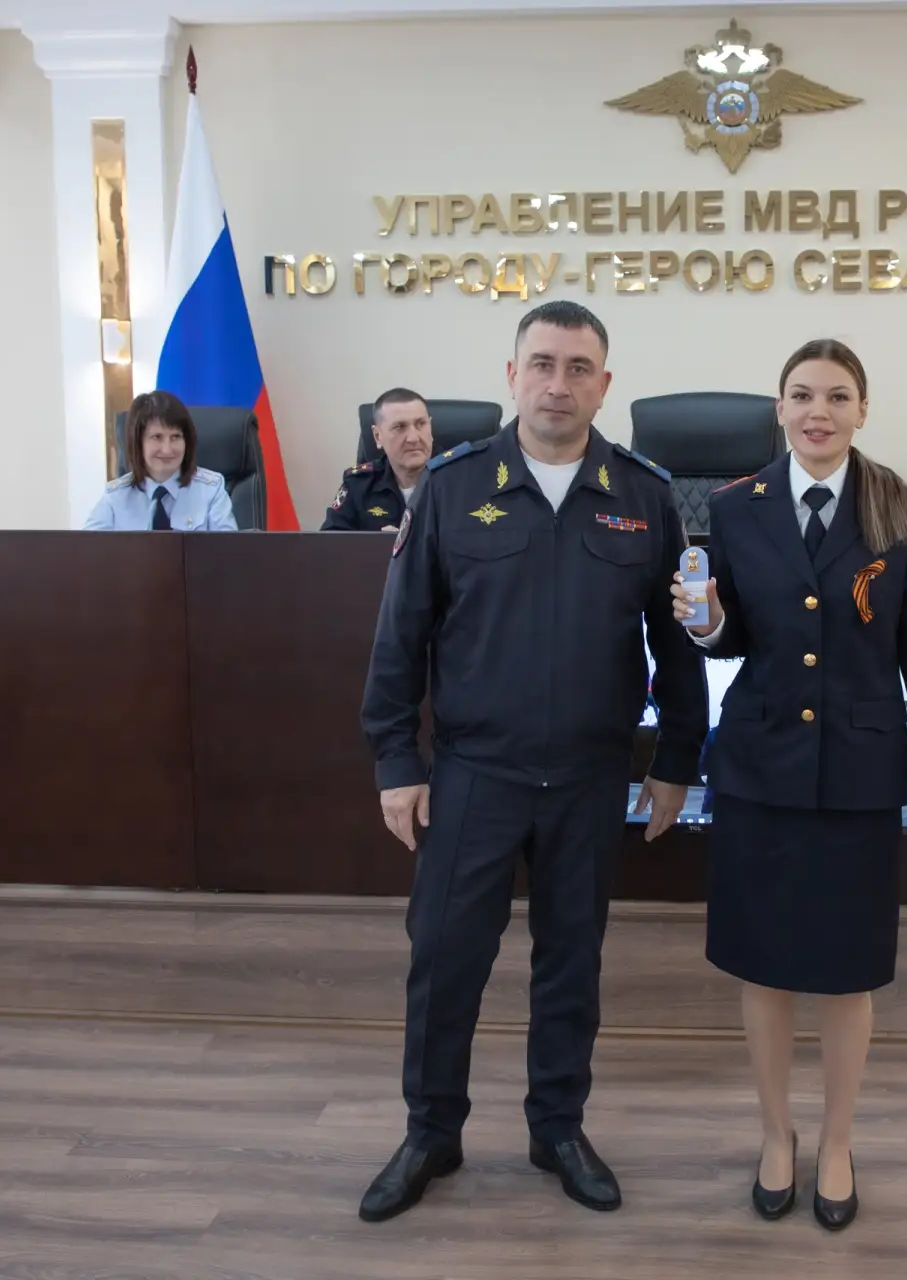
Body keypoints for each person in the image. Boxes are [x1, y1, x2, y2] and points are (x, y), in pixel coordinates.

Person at [358, 301, 708, 1223]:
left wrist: (676, 759)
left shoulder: (643, 495)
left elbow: (676, 645)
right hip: (476, 771)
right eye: (543, 364)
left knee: (571, 963)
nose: (559, 384)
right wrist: (397, 760)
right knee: (444, 960)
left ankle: (557, 1127)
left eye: (579, 367)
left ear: (605, 383)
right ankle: (430, 1131)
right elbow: (400, 636)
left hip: (590, 776)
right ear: (512, 375)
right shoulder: (451, 487)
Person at [670, 338, 907, 1232]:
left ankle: (837, 1143)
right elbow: (730, 636)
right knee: (763, 966)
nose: (818, 411)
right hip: (759, 768)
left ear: (862, 410)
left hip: (858, 772)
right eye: (802, 395)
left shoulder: (901, 506)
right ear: (780, 409)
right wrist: (708, 624)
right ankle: (777, 1136)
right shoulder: (736, 507)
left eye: (837, 396)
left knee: (847, 971)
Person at [82, 391, 236, 531]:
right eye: (157, 437)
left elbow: (229, 550)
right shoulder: (115, 497)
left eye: (175, 437)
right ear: (138, 442)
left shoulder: (211, 491)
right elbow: (87, 548)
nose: (167, 450)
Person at [322, 388, 433, 531]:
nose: (413, 438)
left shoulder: (457, 480)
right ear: (377, 436)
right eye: (399, 427)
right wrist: (377, 543)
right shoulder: (358, 484)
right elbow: (330, 540)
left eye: (421, 424)